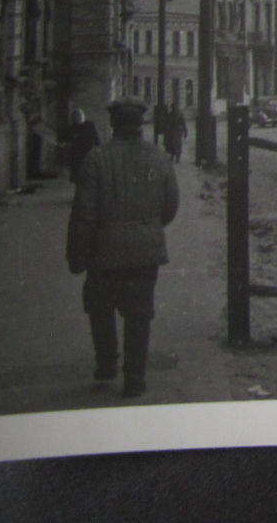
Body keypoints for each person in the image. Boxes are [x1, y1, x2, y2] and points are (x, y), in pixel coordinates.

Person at [67, 97, 180, 398]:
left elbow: (84, 213)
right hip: (146, 252)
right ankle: (135, 379)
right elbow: (170, 207)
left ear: (114, 124)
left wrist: (77, 254)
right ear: (140, 124)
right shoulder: (159, 157)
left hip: (104, 251)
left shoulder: (96, 159)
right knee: (139, 315)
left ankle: (106, 364)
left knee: (99, 308)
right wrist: (148, 227)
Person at [64, 108, 99, 182]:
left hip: (88, 149)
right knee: (77, 165)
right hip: (76, 151)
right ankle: (76, 178)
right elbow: (64, 138)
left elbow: (95, 137)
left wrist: (98, 147)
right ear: (73, 118)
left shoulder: (89, 125)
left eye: (79, 116)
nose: (77, 118)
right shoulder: (71, 128)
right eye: (75, 116)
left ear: (83, 116)